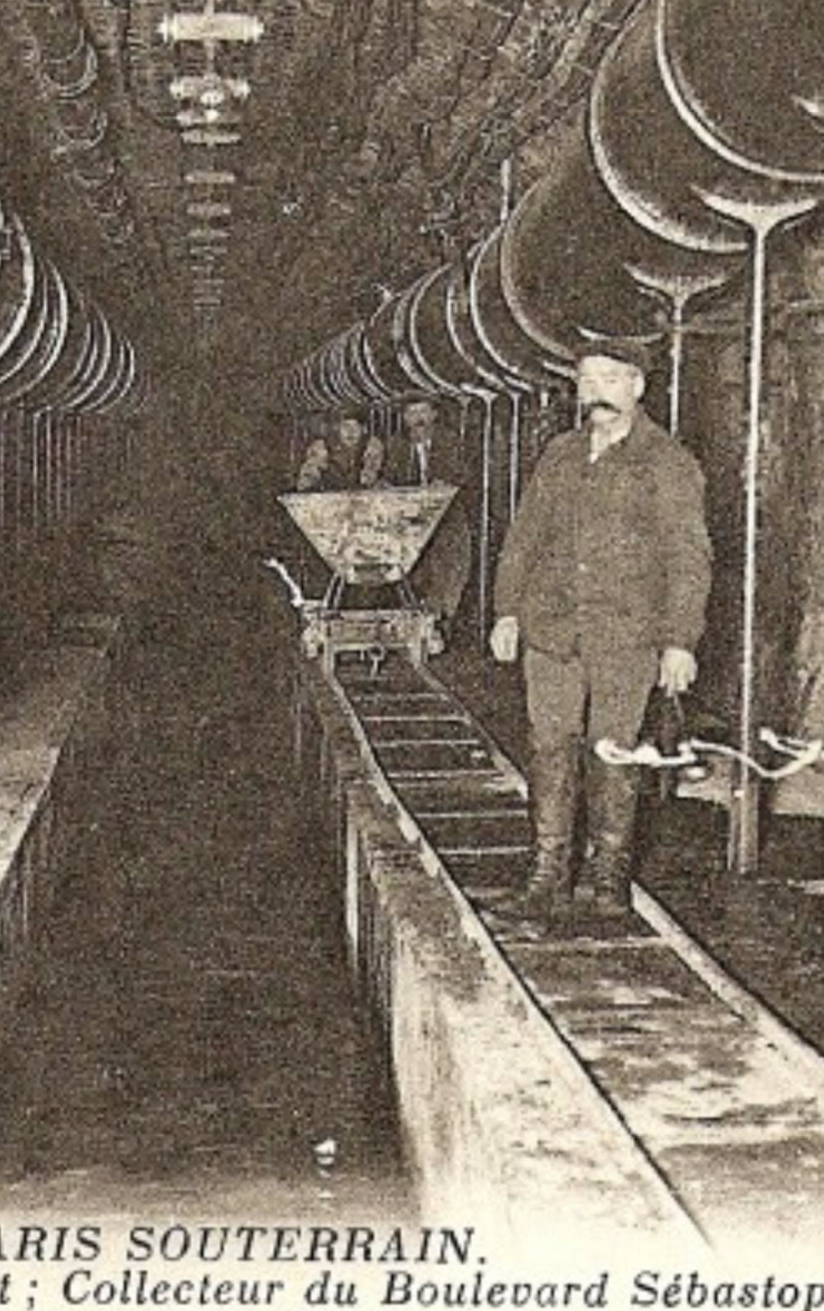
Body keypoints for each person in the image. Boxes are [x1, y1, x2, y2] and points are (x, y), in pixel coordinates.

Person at [489, 339, 712, 922]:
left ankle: (609, 877)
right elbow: (523, 539)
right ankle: (547, 875)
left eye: (611, 379)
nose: (596, 393)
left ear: (638, 386)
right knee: (549, 747)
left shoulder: (667, 462)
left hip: (626, 633)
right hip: (553, 628)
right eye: (587, 381)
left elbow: (689, 559)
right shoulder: (560, 455)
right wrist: (507, 610)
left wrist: (680, 641)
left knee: (613, 751)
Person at [384, 394, 471, 633]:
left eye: (423, 412)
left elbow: (463, 475)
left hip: (446, 517)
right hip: (409, 519)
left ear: (434, 415)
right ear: (405, 418)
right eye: (412, 413)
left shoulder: (450, 442)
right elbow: (389, 479)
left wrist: (446, 485)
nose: (418, 419)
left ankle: (441, 620)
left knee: (449, 564)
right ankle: (414, 617)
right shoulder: (397, 446)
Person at [295, 411, 382, 491]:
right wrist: (308, 484)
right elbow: (309, 474)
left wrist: (368, 478)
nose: (351, 432)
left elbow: (371, 473)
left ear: (364, 429)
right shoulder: (323, 446)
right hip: (329, 495)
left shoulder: (371, 445)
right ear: (338, 428)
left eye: (356, 427)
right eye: (345, 426)